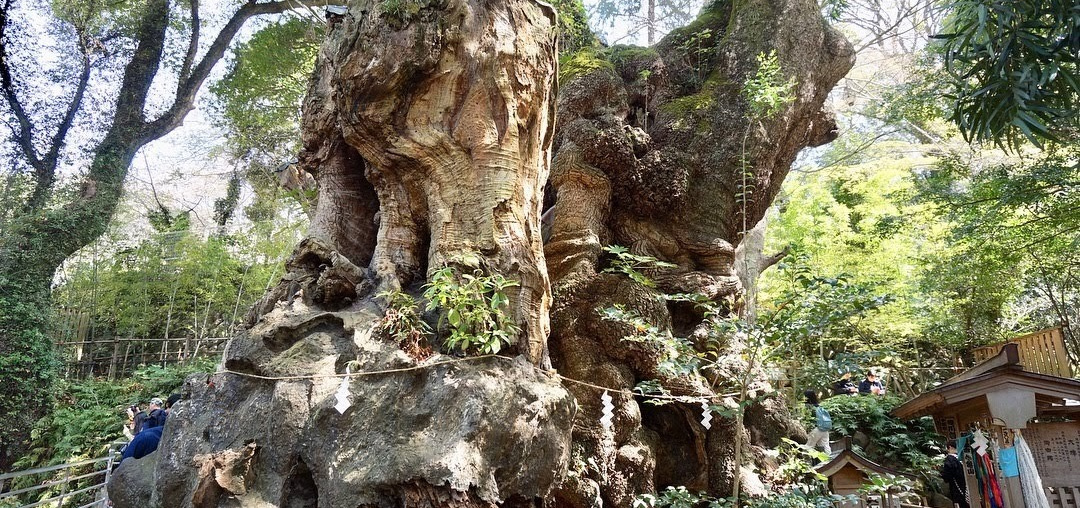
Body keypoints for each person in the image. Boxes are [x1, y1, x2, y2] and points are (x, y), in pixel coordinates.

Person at [941, 440, 970, 508]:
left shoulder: (950, 459)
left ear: (950, 447)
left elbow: (947, 476)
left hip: (957, 489)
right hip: (968, 487)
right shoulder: (963, 458)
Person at [804, 390, 832, 455]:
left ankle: (807, 463)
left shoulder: (808, 406)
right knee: (826, 447)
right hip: (824, 429)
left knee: (808, 447)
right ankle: (830, 462)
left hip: (816, 429)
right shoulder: (818, 406)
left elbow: (806, 419)